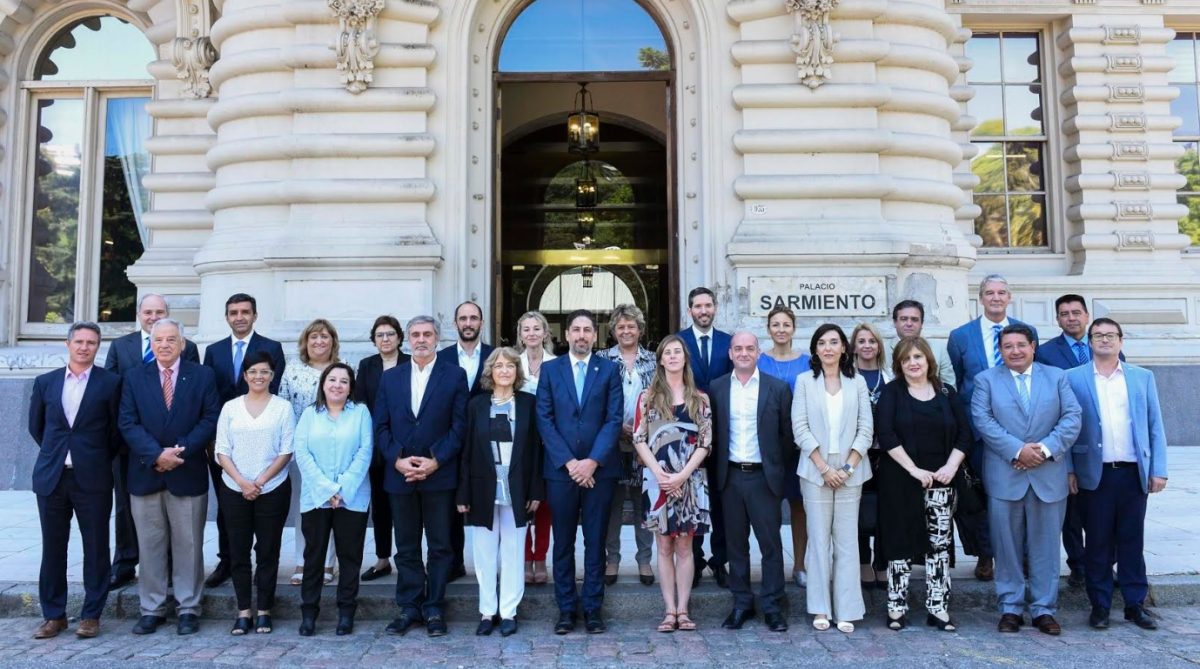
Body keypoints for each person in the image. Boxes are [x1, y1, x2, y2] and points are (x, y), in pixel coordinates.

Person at [971, 324, 1081, 636]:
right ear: (1000, 350)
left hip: (1048, 475)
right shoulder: (986, 381)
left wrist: (1043, 450)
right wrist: (1017, 450)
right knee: (1005, 547)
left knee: (1045, 546)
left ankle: (1044, 609)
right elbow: (983, 420)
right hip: (1006, 474)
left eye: (1021, 344)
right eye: (1008, 346)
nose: (1015, 351)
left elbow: (1072, 417)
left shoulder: (1057, 377)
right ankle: (1010, 608)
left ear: (1033, 346)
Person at [118, 318, 220, 636]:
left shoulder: (202, 376)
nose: (164, 344)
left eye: (171, 339)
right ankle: (152, 608)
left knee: (188, 543)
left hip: (187, 471)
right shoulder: (134, 377)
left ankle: (188, 607)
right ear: (151, 344)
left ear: (182, 344)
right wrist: (156, 455)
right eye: (158, 340)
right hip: (146, 472)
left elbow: (210, 417)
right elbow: (127, 421)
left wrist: (179, 452)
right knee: (150, 545)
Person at [1066, 318, 1168, 631]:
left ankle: (1135, 605)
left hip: (1133, 472)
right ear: (1090, 341)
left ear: (1121, 341)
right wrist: (1069, 469)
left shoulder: (1141, 378)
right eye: (1098, 335)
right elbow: (1067, 429)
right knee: (1096, 542)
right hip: (1093, 474)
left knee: (1131, 541)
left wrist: (1158, 469)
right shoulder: (1073, 378)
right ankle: (1100, 605)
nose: (1105, 340)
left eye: (1111, 336)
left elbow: (1155, 426)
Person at [376, 315, 469, 637]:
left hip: (439, 477)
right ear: (407, 339)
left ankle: (434, 608)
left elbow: (460, 427)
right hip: (400, 477)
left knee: (441, 546)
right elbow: (381, 426)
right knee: (406, 546)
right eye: (415, 334)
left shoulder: (454, 376)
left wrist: (436, 460)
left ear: (437, 338)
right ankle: (409, 607)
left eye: (427, 334)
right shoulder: (391, 378)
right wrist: (398, 460)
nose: (421, 339)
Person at [29, 322, 122, 639]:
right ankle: (54, 615)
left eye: (92, 342)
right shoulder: (46, 382)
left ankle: (91, 615)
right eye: (79, 341)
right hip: (52, 478)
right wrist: (59, 453)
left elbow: (115, 433)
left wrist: (91, 456)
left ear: (98, 347)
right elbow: (37, 428)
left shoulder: (110, 383)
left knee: (96, 547)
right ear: (67, 344)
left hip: (92, 477)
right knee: (53, 548)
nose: (85, 347)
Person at [536, 309, 623, 635]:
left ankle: (593, 609)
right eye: (576, 330)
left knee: (595, 541)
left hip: (599, 471)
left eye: (588, 330)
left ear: (595, 335)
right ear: (566, 335)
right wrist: (571, 463)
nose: (582, 335)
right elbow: (544, 419)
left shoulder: (609, 370)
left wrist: (592, 461)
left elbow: (614, 419)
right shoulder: (550, 369)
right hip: (561, 472)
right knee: (563, 543)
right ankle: (566, 610)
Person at [103, 293, 199, 589]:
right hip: (130, 443)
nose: (153, 316)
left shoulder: (188, 347)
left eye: (159, 311)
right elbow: (111, 392)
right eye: (148, 311)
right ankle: (125, 562)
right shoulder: (121, 346)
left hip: (177, 448)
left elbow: (191, 394)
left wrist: (175, 448)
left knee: (172, 512)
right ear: (138, 314)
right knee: (126, 507)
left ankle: (169, 566)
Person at [947, 275, 1039, 582]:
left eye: (1001, 292)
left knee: (1021, 494)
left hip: (1021, 432)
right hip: (979, 433)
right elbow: (959, 385)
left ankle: (1022, 555)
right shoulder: (961, 336)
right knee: (982, 496)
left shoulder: (1026, 332)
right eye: (989, 293)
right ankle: (986, 554)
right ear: (981, 298)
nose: (996, 297)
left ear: (1009, 296)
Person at [876, 337, 971, 632]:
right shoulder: (892, 392)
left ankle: (938, 607)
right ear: (898, 365)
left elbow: (965, 434)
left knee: (939, 547)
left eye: (918, 357)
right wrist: (914, 470)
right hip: (901, 480)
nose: (913, 363)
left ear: (929, 360)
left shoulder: (946, 392)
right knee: (899, 544)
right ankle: (896, 607)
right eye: (906, 359)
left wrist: (950, 467)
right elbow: (886, 434)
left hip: (942, 481)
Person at [1036, 294, 1123, 587]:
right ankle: (1078, 564)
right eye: (1064, 314)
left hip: (1105, 440)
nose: (1071, 318)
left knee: (1104, 510)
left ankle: (1104, 563)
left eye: (1076, 312)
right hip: (1066, 438)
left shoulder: (1108, 347)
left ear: (1086, 316)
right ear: (1057, 320)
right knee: (1072, 511)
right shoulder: (1046, 353)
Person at [457, 348, 544, 637]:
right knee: (483, 553)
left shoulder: (529, 404)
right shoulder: (476, 406)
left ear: (517, 372)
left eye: (510, 366)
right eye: (498, 366)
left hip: (516, 486)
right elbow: (466, 452)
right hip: (483, 486)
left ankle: (508, 612)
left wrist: (535, 489)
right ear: (490, 372)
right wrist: (463, 494)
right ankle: (486, 611)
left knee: (513, 551)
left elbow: (535, 451)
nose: (504, 370)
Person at [201, 293, 287, 589]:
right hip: (224, 444)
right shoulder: (213, 351)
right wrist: (211, 439)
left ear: (255, 315)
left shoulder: (271, 348)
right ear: (227, 317)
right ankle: (227, 560)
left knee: (264, 514)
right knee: (228, 506)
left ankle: (261, 565)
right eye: (234, 312)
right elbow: (209, 397)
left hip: (263, 441)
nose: (239, 317)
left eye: (245, 312)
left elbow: (274, 390)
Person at [710, 331, 793, 632]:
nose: (744, 353)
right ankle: (741, 603)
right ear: (730, 354)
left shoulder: (778, 388)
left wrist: (774, 469)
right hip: (730, 476)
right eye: (738, 349)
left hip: (763, 477)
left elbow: (787, 438)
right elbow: (715, 436)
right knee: (736, 545)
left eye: (749, 348)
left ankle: (772, 605)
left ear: (759, 352)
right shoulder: (717, 388)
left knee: (770, 544)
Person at [793, 323, 873, 633]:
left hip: (851, 469)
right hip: (815, 470)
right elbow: (799, 427)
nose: (828, 348)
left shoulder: (857, 384)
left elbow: (866, 428)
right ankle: (820, 608)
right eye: (822, 343)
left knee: (847, 543)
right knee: (818, 540)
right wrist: (824, 468)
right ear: (815, 349)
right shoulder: (804, 382)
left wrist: (848, 467)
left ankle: (847, 609)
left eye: (834, 342)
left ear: (843, 348)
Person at [631, 335, 712, 632]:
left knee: (685, 547)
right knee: (664, 547)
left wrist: (681, 476)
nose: (674, 356)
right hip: (657, 483)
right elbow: (639, 439)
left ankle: (683, 610)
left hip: (690, 482)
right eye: (668, 352)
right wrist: (662, 475)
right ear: (661, 359)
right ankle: (668, 610)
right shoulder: (648, 397)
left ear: (685, 359)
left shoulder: (699, 398)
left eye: (678, 352)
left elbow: (705, 442)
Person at [213, 351, 295, 635]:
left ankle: (264, 610)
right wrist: (243, 482)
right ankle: (243, 611)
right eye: (253, 372)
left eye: (264, 372)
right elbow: (221, 450)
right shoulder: (230, 408)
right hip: (234, 488)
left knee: (268, 550)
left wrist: (259, 481)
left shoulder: (283, 408)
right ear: (245, 376)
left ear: (272, 376)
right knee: (238, 551)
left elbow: (286, 450)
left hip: (272, 487)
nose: (259, 376)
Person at [293, 363, 374, 637]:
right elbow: (301, 453)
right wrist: (328, 489)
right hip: (316, 497)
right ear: (323, 384)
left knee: (349, 557)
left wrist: (343, 489)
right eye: (332, 380)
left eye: (343, 381)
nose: (337, 385)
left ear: (351, 387)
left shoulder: (361, 413)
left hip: (352, 497)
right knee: (313, 556)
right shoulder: (308, 414)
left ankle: (346, 612)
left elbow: (365, 451)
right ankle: (308, 613)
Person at [598, 304, 657, 587]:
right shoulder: (602, 360)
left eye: (631, 326)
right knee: (613, 504)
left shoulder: (654, 360)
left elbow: (662, 400)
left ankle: (644, 559)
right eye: (620, 327)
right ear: (613, 331)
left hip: (645, 446)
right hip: (611, 443)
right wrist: (617, 428)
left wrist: (642, 430)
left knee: (644, 504)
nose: (626, 331)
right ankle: (612, 559)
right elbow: (596, 402)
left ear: (640, 329)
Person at [279, 318, 340, 586]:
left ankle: (327, 563)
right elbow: (284, 408)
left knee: (332, 504)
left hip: (336, 450)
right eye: (314, 337)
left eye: (324, 336)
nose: (319, 341)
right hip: (302, 452)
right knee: (304, 509)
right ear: (306, 341)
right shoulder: (292, 370)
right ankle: (303, 561)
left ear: (333, 341)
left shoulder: (343, 369)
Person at [676, 287, 731, 587]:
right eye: (698, 306)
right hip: (687, 435)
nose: (704, 311)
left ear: (715, 308)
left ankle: (720, 559)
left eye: (708, 305)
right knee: (692, 499)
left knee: (722, 499)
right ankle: (694, 560)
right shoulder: (678, 342)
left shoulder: (729, 342)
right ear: (690, 310)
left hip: (723, 435)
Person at [438, 301, 495, 582]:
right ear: (455, 323)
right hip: (451, 437)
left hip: (486, 440)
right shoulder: (442, 357)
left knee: (487, 500)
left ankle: (490, 563)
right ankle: (453, 562)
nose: (468, 323)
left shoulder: (495, 355)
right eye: (463, 318)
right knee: (450, 502)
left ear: (481, 323)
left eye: (474, 318)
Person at [756, 306, 810, 588]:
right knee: (769, 509)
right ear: (768, 329)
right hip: (768, 446)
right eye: (775, 324)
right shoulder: (758, 361)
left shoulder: (807, 362)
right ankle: (773, 563)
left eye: (786, 324)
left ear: (793, 328)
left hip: (799, 446)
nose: (780, 329)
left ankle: (800, 564)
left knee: (799, 506)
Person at [355, 315, 410, 582]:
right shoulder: (367, 366)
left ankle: (409, 558)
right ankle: (382, 559)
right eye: (380, 335)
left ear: (399, 337)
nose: (385, 339)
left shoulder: (411, 363)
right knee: (380, 505)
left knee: (408, 505)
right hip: (378, 445)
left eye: (390, 334)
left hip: (407, 446)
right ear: (374, 340)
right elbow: (361, 404)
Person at [516, 310, 556, 584]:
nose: (531, 333)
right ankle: (523, 558)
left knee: (544, 504)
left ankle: (540, 556)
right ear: (520, 335)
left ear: (545, 333)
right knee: (520, 502)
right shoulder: (511, 363)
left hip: (549, 443)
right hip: (518, 443)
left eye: (536, 328)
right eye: (526, 329)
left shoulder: (557, 364)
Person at [850, 322, 890, 590]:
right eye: (862, 341)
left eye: (871, 341)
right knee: (857, 510)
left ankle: (882, 563)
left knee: (888, 509)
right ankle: (863, 561)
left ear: (879, 345)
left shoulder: (890, 377)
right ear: (853, 346)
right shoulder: (847, 377)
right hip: (855, 454)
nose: (867, 346)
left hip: (886, 455)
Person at [891, 300, 954, 386]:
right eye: (904, 319)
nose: (909, 324)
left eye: (914, 319)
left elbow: (949, 386)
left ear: (922, 323)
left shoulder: (939, 349)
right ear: (895, 322)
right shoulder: (881, 348)